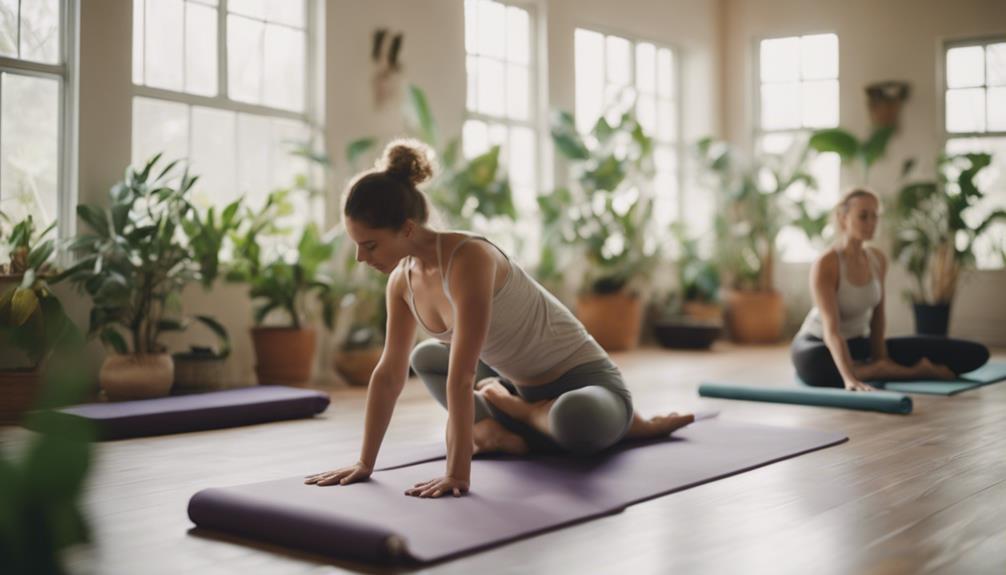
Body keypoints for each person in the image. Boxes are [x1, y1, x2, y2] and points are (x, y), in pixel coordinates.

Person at [305, 139, 694, 498]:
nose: (361, 258)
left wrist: (457, 474)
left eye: (369, 245)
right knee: (424, 357)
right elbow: (388, 375)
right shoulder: (401, 282)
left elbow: (463, 376)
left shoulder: (468, 258)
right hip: (517, 383)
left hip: (583, 386)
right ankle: (519, 425)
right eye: (356, 245)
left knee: (578, 419)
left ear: (407, 228)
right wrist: (364, 463)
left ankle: (537, 420)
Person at [791, 188, 989, 391]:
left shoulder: (877, 259)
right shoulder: (827, 263)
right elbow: (831, 331)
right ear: (843, 218)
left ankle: (876, 368)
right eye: (863, 216)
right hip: (817, 346)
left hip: (858, 344)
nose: (871, 222)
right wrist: (850, 379)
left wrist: (882, 359)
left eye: (875, 216)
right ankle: (915, 373)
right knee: (815, 369)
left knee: (974, 355)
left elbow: (878, 317)